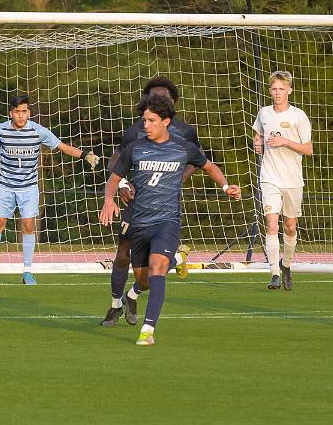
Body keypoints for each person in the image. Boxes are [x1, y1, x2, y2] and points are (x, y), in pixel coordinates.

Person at [100, 94, 241, 345]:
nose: (146, 125)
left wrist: (225, 186)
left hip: (166, 222)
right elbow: (114, 177)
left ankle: (148, 330)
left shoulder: (182, 147)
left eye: (151, 120)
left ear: (166, 121)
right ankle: (177, 259)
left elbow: (209, 166)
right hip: (139, 223)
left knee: (157, 269)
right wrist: (109, 200)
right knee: (143, 280)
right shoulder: (135, 148)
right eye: (144, 120)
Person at [100, 77, 198, 327]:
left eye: (163, 97)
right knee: (122, 253)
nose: (156, 100)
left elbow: (196, 163)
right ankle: (115, 306)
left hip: (163, 205)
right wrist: (122, 185)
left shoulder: (186, 132)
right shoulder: (136, 129)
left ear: (172, 102)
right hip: (136, 203)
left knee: (152, 269)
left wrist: (173, 180)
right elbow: (117, 161)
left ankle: (133, 294)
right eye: (151, 96)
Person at [0, 94, 99, 285]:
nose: (21, 116)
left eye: (24, 111)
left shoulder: (38, 131)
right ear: (11, 113)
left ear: (29, 113)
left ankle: (27, 272)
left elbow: (61, 146)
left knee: (28, 225)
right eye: (17, 112)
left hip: (29, 187)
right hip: (5, 186)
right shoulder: (0, 131)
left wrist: (84, 155)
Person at [253, 71, 312, 291]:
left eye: (281, 89)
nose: (277, 93)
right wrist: (257, 143)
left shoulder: (299, 116)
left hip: (293, 180)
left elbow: (308, 149)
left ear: (289, 90)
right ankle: (274, 274)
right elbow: (257, 134)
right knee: (271, 224)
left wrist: (285, 141)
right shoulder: (264, 113)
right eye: (274, 89)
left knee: (289, 227)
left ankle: (286, 265)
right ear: (270, 91)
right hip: (270, 177)